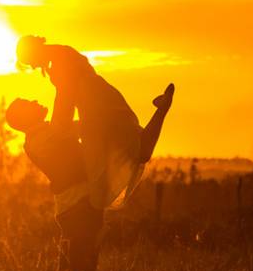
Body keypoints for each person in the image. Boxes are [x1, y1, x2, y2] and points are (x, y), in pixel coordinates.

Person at [6, 88, 173, 271]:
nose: (35, 100)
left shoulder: (50, 130)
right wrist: (64, 85)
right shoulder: (36, 141)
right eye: (29, 103)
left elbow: (85, 126)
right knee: (81, 261)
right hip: (76, 205)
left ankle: (161, 111)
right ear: (25, 117)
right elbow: (69, 147)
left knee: (80, 258)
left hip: (82, 202)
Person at [15, 35, 174, 210]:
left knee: (103, 176)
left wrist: (57, 127)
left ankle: (87, 225)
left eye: (30, 61)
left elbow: (64, 100)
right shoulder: (59, 55)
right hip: (101, 98)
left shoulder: (60, 61)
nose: (33, 66)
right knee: (139, 148)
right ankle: (162, 108)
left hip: (95, 109)